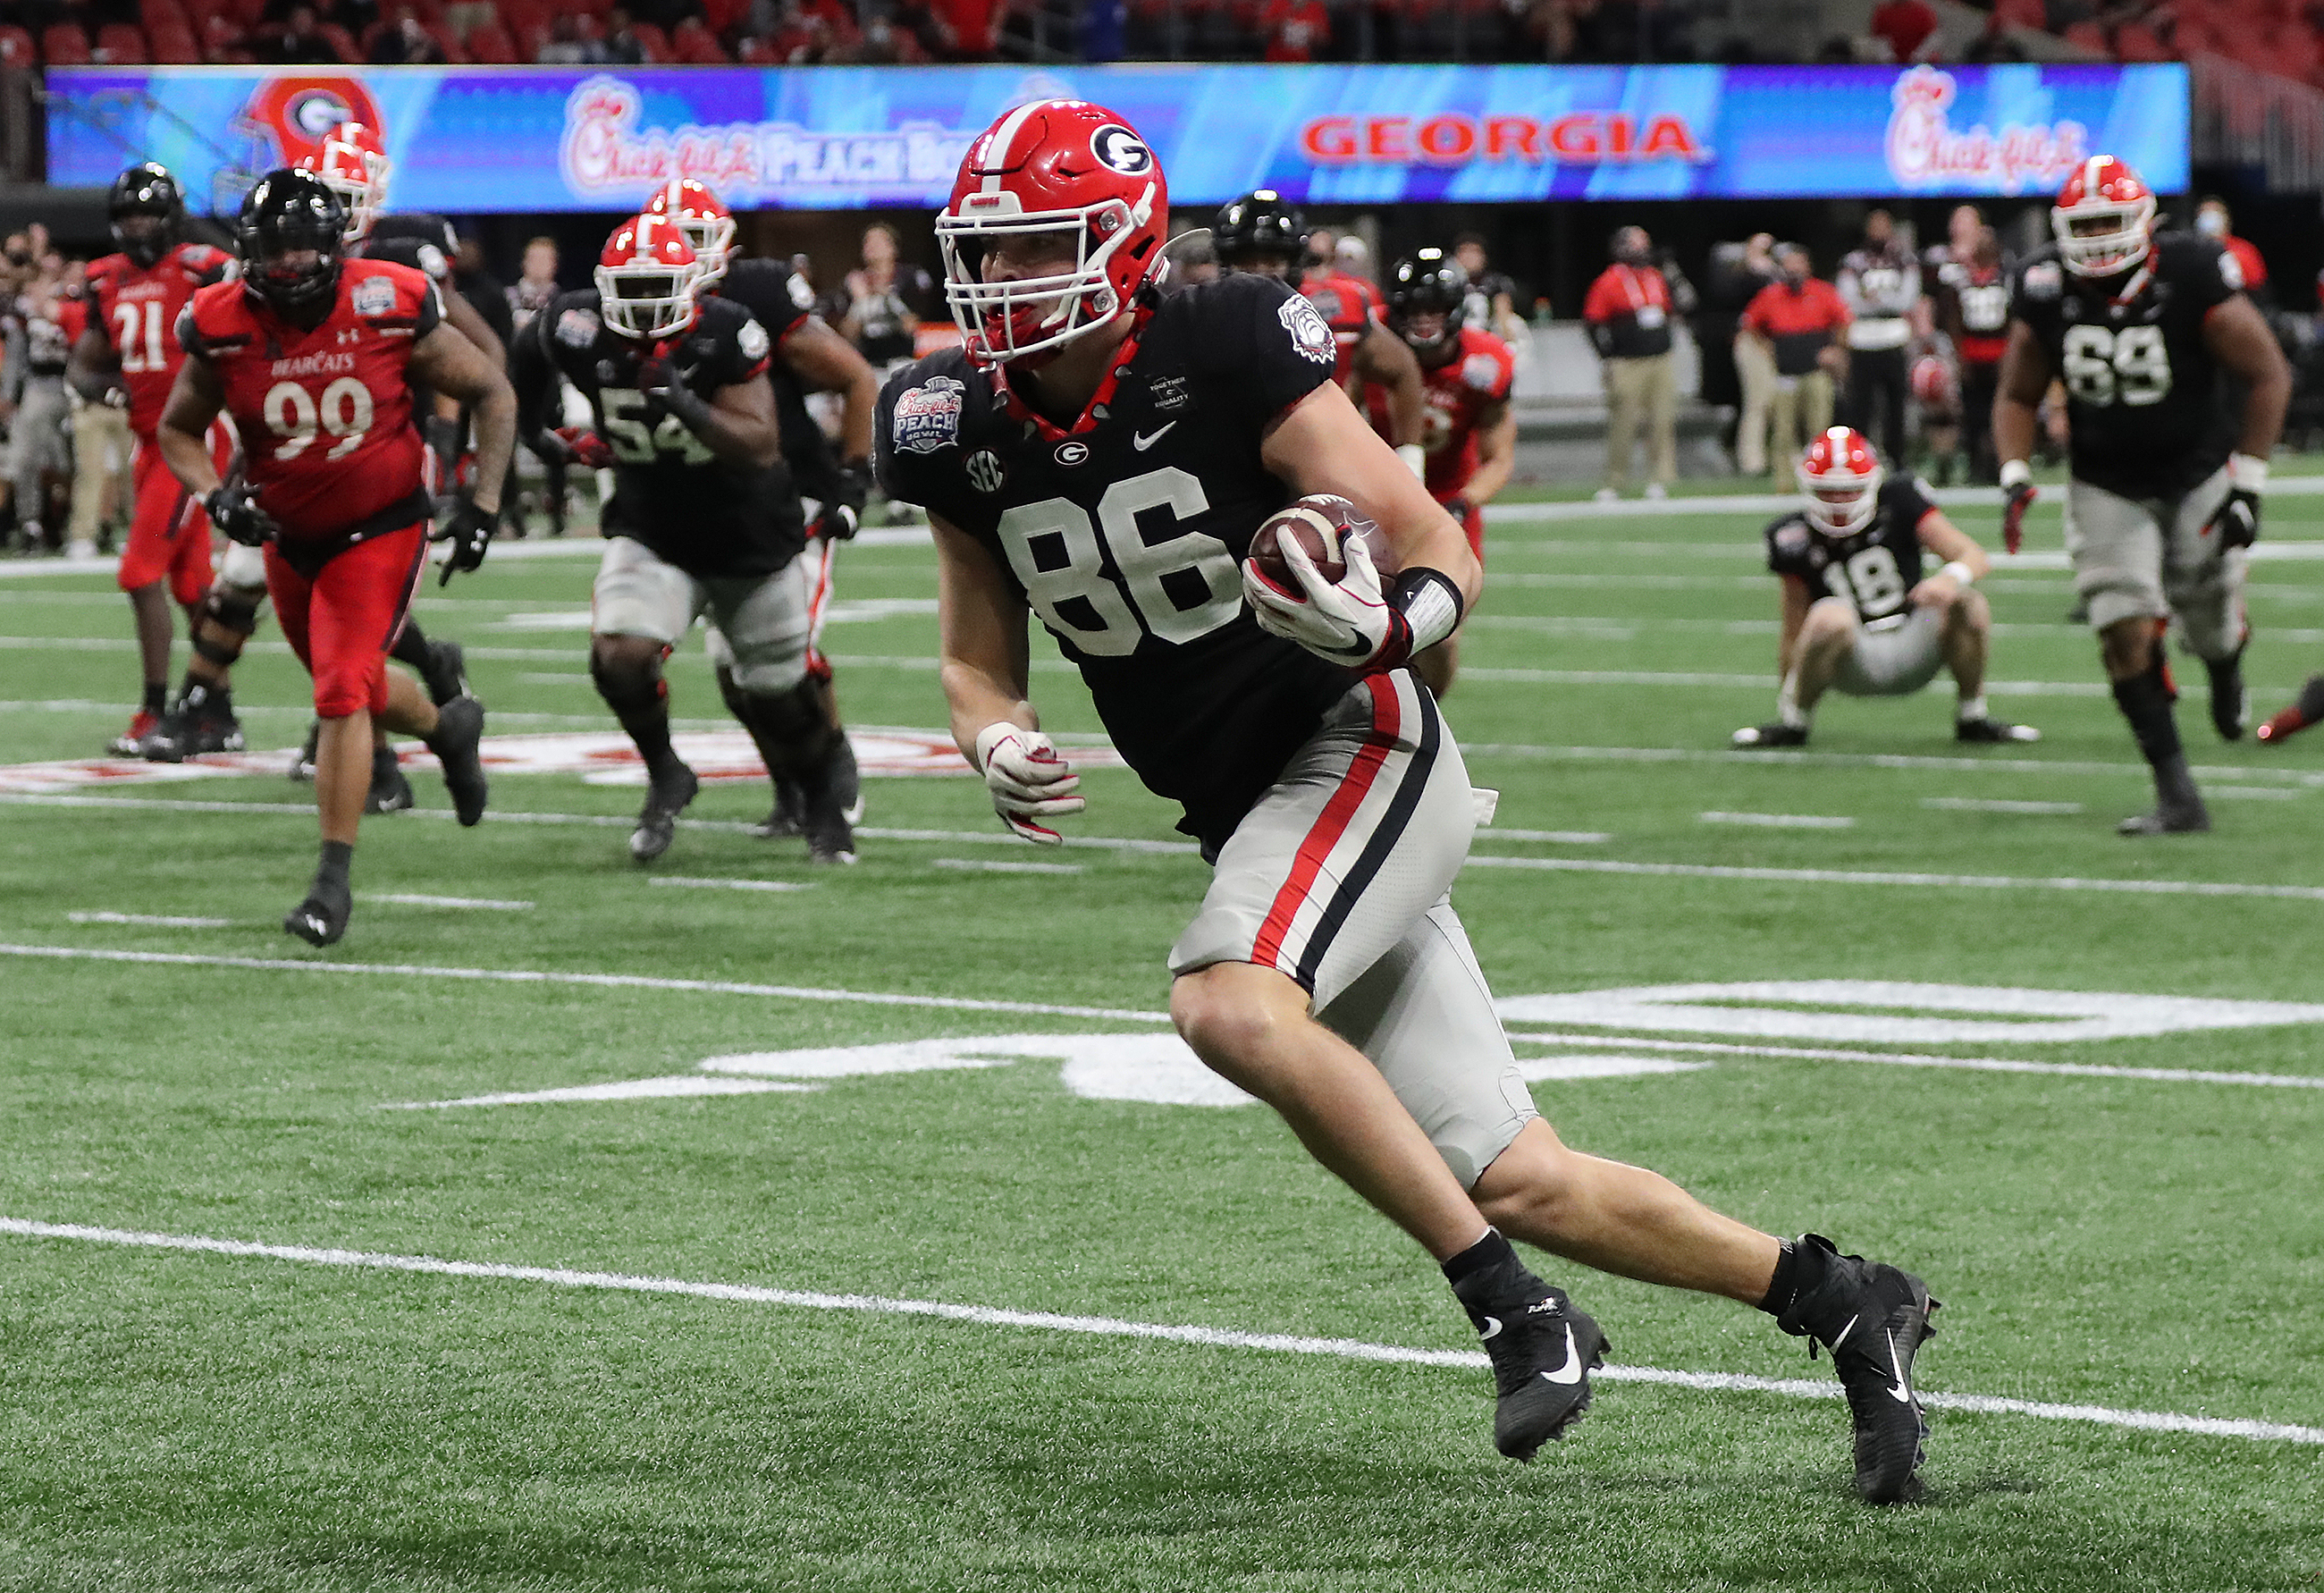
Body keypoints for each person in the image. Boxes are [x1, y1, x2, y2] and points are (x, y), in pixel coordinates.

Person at [879, 97, 1940, 1504]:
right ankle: (1842, 1297)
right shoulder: (945, 419)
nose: (1004, 283)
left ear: (1126, 245)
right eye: (990, 255)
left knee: (1227, 1000)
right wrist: (994, 737)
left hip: (1359, 742)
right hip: (1257, 811)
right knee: (1521, 1174)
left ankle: (1517, 1312)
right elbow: (973, 653)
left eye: (1039, 249)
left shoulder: (1224, 340)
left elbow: (1433, 537)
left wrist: (1384, 621)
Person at [156, 169, 513, 945]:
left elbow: (491, 387)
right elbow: (178, 429)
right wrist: (217, 499)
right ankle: (448, 728)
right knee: (353, 682)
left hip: (380, 522)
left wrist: (481, 505)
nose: (287, 269)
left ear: (335, 246)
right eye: (271, 254)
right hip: (288, 535)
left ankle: (330, 884)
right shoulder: (220, 319)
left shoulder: (387, 300)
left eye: (300, 252)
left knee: (340, 690)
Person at [510, 213, 846, 864]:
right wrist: (533, 432)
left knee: (777, 696)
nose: (641, 304)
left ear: (691, 284)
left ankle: (823, 803)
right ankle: (666, 769)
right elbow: (526, 357)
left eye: (656, 286)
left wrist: (686, 402)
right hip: (653, 524)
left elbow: (759, 444)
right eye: (630, 289)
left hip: (749, 532)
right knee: (620, 653)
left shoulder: (727, 332)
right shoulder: (576, 324)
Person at [1995, 156, 2290, 835]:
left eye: (2110, 221)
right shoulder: (2044, 285)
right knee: (2123, 629)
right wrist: (2014, 472)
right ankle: (2177, 793)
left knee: (2208, 614)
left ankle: (2224, 665)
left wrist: (2249, 486)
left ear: (2145, 224)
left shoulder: (2189, 271)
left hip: (2197, 472)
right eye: (2086, 223)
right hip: (2107, 480)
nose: (2098, 237)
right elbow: (2017, 392)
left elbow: (2268, 373)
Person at [641, 176, 880, 856]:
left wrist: (850, 483)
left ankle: (830, 768)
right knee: (730, 668)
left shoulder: (756, 295)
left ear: (723, 249)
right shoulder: (636, 306)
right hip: (711, 507)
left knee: (781, 657)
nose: (680, 258)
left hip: (790, 493)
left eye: (694, 242)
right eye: (670, 242)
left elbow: (855, 375)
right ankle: (788, 785)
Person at [67, 164, 239, 756]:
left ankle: (156, 711)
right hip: (149, 441)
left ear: (170, 217)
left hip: (191, 439)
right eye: (129, 215)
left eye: (148, 213)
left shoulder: (204, 267)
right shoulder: (104, 278)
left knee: (138, 573)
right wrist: (104, 388)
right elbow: (86, 361)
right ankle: (217, 713)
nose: (139, 225)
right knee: (191, 585)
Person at [1732, 426, 2035, 749]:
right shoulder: (1791, 536)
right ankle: (1794, 724)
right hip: (1851, 658)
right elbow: (1793, 630)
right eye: (1827, 492)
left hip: (1916, 636)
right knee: (1828, 616)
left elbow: (1972, 555)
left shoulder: (1900, 501)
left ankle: (1973, 717)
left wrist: (1949, 578)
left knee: (1968, 603)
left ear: (1872, 484)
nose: (1838, 502)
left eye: (1850, 490)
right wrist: (1788, 696)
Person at [1373, 247, 1515, 699]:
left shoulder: (1484, 363)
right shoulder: (1366, 346)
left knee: (1439, 629)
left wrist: (1462, 501)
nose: (1423, 321)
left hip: (1445, 500)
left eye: (1433, 309)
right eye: (1413, 310)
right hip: (1371, 494)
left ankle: (1425, 717)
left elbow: (1499, 457)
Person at [1212, 190, 1426, 472]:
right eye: (1247, 262)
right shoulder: (1201, 318)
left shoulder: (1336, 308)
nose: (1259, 274)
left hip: (1326, 468)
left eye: (1272, 262)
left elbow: (1402, 368)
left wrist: (1410, 457)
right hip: (1237, 467)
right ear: (1227, 262)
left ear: (1294, 262)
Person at [1583, 225, 1689, 501]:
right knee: (1624, 422)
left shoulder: (1656, 276)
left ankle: (1660, 479)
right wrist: (1607, 357)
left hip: (1659, 360)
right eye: (1636, 243)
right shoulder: (1609, 281)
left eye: (1645, 242)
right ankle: (1616, 480)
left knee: (1662, 420)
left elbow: (1676, 308)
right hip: (1627, 362)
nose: (1643, 249)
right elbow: (1593, 323)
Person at [1742, 245, 1851, 474]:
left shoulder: (1822, 292)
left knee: (1819, 428)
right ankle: (1783, 480)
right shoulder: (1771, 295)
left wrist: (1834, 348)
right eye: (1788, 266)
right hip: (1785, 373)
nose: (1793, 271)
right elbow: (1749, 324)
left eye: (1797, 265)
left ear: (1807, 267)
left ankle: (1821, 474)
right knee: (1783, 430)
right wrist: (1767, 349)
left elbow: (1844, 320)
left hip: (1816, 372)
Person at [1837, 209, 1921, 468]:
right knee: (1861, 405)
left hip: (1894, 336)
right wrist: (1878, 303)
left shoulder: (1904, 259)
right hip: (1863, 338)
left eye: (1884, 225)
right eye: (1875, 225)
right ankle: (1857, 458)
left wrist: (1877, 300)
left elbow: (1908, 298)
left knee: (1896, 405)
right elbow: (1847, 299)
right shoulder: (1853, 261)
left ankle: (1897, 458)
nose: (1879, 231)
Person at [1932, 225, 2010, 485]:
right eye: (1981, 242)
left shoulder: (2008, 276)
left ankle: (1999, 465)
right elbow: (1953, 320)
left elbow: (2014, 319)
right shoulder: (1961, 278)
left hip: (2000, 353)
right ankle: (1975, 464)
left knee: (2000, 414)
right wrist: (1959, 357)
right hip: (1972, 354)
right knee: (1973, 416)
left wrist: (2011, 355)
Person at [6, 281, 76, 554]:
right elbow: (15, 357)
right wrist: (9, 395)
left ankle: (77, 523)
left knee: (74, 464)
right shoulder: (25, 320)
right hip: (38, 388)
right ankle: (31, 524)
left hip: (75, 388)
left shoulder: (74, 309)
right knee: (26, 457)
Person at [1715, 232, 1781, 475]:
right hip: (1753, 341)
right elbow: (1733, 300)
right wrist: (1756, 268)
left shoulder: (1779, 275)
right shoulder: (1740, 275)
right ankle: (1751, 460)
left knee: (1781, 402)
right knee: (1758, 401)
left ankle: (1781, 456)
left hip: (1779, 341)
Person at [2194, 197, 2269, 306]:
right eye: (2204, 213)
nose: (2208, 218)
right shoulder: (2190, 250)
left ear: (2226, 219)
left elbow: (2256, 286)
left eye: (2214, 213)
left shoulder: (2244, 249)